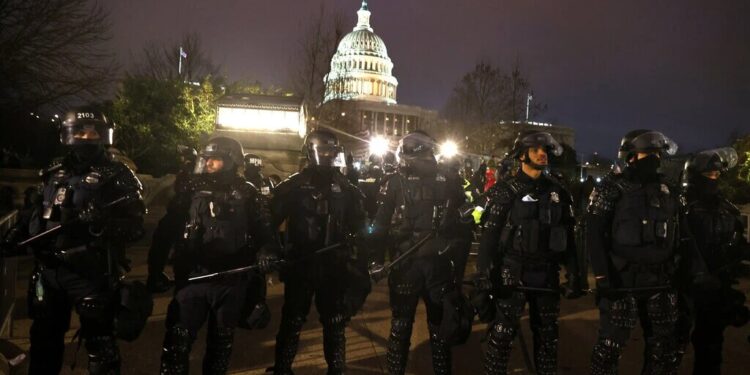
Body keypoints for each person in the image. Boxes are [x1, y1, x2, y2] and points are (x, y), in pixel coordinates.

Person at [1, 108, 145, 374]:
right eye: (80, 131)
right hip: (49, 270)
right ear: (67, 134)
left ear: (104, 136)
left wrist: (103, 222)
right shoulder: (54, 171)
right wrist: (17, 232)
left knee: (101, 348)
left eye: (93, 131)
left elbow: (137, 228)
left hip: (91, 272)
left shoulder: (118, 174)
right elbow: (36, 211)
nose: (86, 137)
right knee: (44, 342)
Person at [587, 129, 710, 375]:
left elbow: (684, 234)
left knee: (663, 352)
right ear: (631, 155)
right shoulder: (612, 188)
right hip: (622, 280)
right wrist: (602, 277)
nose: (655, 158)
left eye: (657, 153)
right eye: (649, 152)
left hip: (661, 281)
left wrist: (698, 271)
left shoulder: (670, 190)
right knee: (609, 350)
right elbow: (593, 235)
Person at [159, 136, 280, 374]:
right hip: (193, 278)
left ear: (231, 160)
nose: (207, 164)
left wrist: (268, 252)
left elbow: (266, 230)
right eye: (206, 159)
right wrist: (156, 268)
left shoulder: (248, 193)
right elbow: (167, 229)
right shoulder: (190, 190)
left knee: (221, 345)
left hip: (231, 280)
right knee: (177, 342)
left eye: (214, 159)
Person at [474, 130, 583, 375]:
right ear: (522, 155)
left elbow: (568, 237)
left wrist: (575, 273)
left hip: (547, 275)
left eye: (544, 150)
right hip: (512, 275)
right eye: (535, 150)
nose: (542, 154)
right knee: (501, 337)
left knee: (547, 339)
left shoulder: (558, 192)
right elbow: (490, 236)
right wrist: (483, 273)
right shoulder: (506, 190)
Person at [270, 129, 368, 375]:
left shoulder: (347, 189)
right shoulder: (293, 186)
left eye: (331, 151)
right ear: (311, 152)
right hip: (300, 263)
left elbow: (360, 225)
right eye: (322, 150)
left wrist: (356, 243)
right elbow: (268, 222)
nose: (326, 155)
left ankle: (336, 369)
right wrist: (273, 249)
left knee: (334, 321)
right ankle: (283, 368)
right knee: (292, 320)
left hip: (334, 265)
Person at [370, 130, 468, 375]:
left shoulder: (449, 181)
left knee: (435, 329)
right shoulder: (395, 182)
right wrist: (374, 259)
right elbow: (379, 226)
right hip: (410, 264)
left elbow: (466, 225)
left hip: (431, 266)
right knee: (407, 329)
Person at [682, 147, 749, 375]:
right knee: (672, 344)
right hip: (687, 284)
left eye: (717, 175)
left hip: (717, 283)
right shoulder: (682, 207)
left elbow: (735, 242)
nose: (713, 179)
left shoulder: (724, 207)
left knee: (711, 345)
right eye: (708, 175)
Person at [146, 145, 197, 293]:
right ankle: (156, 277)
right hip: (177, 214)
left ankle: (177, 281)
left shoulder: (193, 171)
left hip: (185, 216)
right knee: (161, 244)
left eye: (184, 157)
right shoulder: (183, 172)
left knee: (178, 249)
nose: (182, 160)